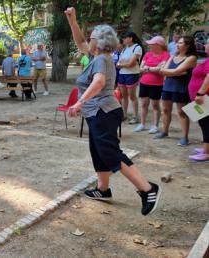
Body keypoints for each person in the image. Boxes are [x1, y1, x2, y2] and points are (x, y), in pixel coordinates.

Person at [64, 7, 161, 216]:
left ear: (98, 41)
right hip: (98, 113)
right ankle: (102, 189)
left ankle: (148, 189)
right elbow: (80, 42)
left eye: (91, 38)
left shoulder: (100, 59)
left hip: (103, 112)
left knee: (110, 153)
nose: (87, 40)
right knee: (98, 152)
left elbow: (98, 82)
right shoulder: (98, 56)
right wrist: (72, 21)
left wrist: (79, 102)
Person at [154, 36, 198, 146]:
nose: (177, 45)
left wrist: (172, 72)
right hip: (168, 86)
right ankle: (165, 131)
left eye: (180, 43)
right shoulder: (173, 55)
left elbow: (175, 70)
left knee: (181, 112)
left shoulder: (191, 58)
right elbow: (163, 71)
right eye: (177, 43)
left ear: (187, 45)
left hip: (181, 88)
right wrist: (174, 72)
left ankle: (185, 137)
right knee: (165, 110)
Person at [134, 36, 170, 133]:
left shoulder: (165, 55)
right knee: (144, 104)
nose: (149, 45)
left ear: (159, 45)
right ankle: (142, 124)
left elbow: (161, 69)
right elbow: (140, 68)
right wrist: (153, 68)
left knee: (155, 105)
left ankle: (155, 125)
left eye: (152, 44)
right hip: (144, 82)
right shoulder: (148, 54)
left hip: (157, 84)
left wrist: (147, 68)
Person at [188, 39, 209, 162]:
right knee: (203, 123)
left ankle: (206, 153)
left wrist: (200, 93)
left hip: (205, 99)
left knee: (207, 124)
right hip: (202, 99)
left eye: (207, 43)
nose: (205, 45)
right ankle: (206, 148)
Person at [117, 31, 144, 124]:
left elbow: (131, 64)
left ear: (130, 38)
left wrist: (121, 65)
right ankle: (124, 114)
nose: (123, 40)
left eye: (125, 38)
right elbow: (120, 62)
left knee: (132, 96)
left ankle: (135, 116)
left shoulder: (137, 48)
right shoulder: (125, 49)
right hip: (122, 74)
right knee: (124, 96)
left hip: (132, 74)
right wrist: (123, 65)